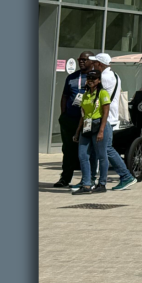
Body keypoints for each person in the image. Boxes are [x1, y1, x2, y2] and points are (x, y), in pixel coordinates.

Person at [82, 53, 135, 193]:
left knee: (106, 150)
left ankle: (125, 176)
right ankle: (90, 180)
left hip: (104, 119)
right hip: (110, 117)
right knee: (102, 149)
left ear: (100, 64)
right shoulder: (115, 75)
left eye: (95, 63)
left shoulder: (103, 78)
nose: (92, 65)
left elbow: (94, 93)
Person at [54, 59, 88, 188]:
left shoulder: (95, 77)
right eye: (80, 60)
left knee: (85, 150)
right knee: (68, 149)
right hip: (70, 119)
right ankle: (65, 178)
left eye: (85, 60)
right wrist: (63, 114)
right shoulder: (72, 77)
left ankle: (87, 180)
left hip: (86, 119)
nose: (81, 62)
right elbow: (65, 96)